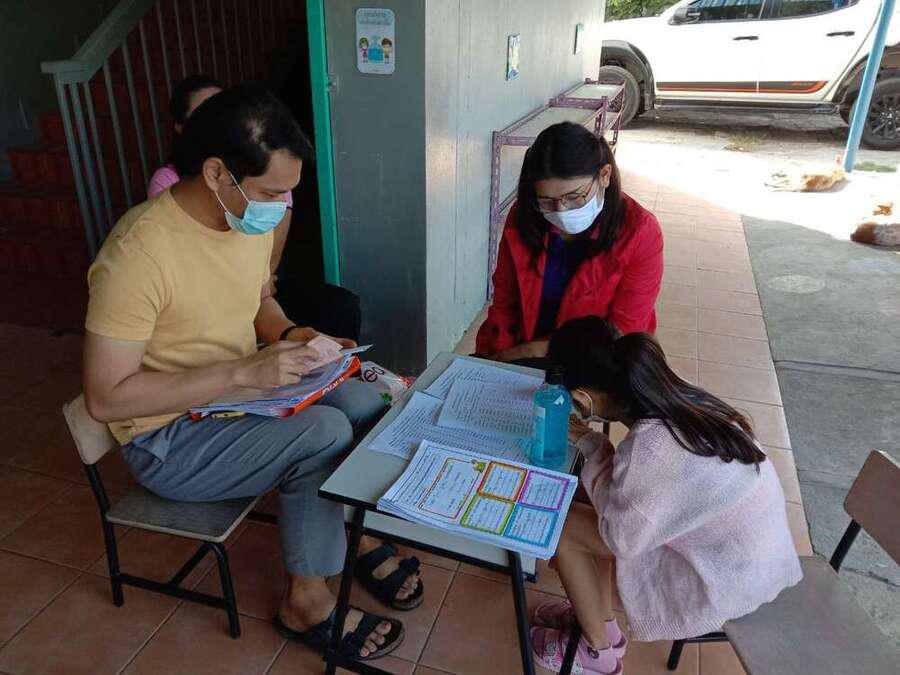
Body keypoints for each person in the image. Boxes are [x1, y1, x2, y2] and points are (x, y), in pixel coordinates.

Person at [83, 85, 422, 663]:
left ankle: (347, 535)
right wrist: (243, 370)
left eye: (288, 193)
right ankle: (306, 602)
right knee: (323, 433)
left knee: (363, 399)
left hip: (236, 398)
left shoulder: (243, 222)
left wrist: (297, 338)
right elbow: (106, 399)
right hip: (167, 437)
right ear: (217, 173)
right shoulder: (137, 256)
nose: (280, 207)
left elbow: (260, 302)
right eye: (270, 192)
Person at [528, 316, 802, 674]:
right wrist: (590, 443)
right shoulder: (678, 396)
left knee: (563, 531)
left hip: (726, 577)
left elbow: (620, 538)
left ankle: (597, 652)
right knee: (585, 504)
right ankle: (599, 622)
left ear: (583, 398)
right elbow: (625, 502)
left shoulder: (651, 448)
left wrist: (589, 441)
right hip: (752, 551)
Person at [476, 122, 663, 366]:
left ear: (604, 176)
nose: (561, 210)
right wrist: (498, 362)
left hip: (600, 361)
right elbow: (505, 301)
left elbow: (623, 331)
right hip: (524, 350)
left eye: (574, 197)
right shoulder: (525, 215)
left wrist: (541, 350)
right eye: (546, 201)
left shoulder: (640, 232)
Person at [147, 74, 292, 277]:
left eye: (224, 112)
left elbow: (268, 266)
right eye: (202, 116)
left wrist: (262, 283)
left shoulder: (268, 175)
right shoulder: (166, 181)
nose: (217, 125)